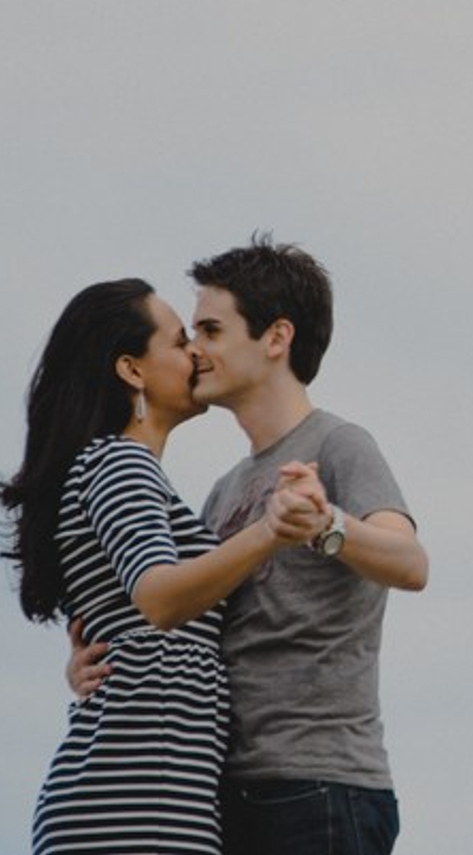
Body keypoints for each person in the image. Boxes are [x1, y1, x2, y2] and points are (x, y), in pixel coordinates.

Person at [72, 236, 429, 855]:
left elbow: (410, 563)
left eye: (210, 331)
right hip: (225, 792)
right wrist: (95, 663)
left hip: (318, 785)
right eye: (189, 336)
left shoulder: (339, 445)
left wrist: (325, 525)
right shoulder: (223, 491)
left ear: (275, 338)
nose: (195, 352)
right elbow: (188, 612)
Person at [1, 279, 329, 855]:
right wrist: (270, 530)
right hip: (133, 804)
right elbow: (159, 599)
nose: (197, 354)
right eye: (180, 342)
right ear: (132, 370)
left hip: (150, 800)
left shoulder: (123, 472)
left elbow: (128, 615)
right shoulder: (119, 463)